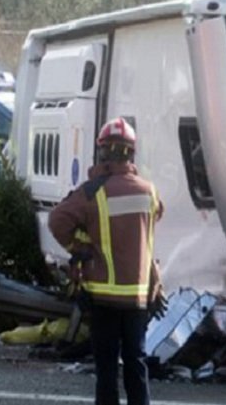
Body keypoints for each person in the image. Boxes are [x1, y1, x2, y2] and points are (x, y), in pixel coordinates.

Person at [48, 117, 165, 405]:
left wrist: (82, 246)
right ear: (131, 153)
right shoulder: (148, 191)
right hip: (138, 296)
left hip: (103, 296)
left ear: (102, 152)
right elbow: (153, 220)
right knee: (136, 365)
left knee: (107, 370)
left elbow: (57, 220)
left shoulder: (93, 191)